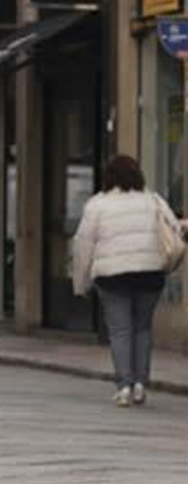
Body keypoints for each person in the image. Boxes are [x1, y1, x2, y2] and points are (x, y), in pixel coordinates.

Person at [72, 155, 184, 408]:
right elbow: (174, 230)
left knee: (120, 331)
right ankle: (141, 384)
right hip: (149, 273)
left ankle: (123, 386)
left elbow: (83, 246)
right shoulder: (152, 200)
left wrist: (81, 283)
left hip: (112, 276)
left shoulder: (97, 205)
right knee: (142, 328)